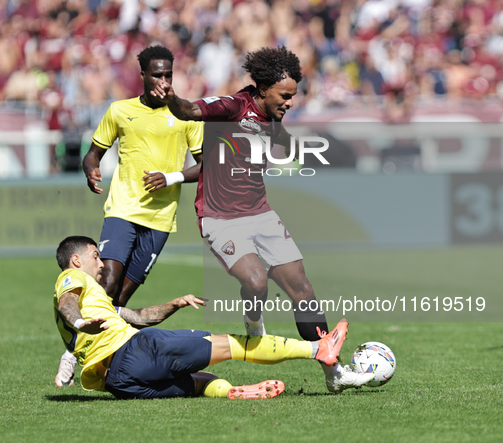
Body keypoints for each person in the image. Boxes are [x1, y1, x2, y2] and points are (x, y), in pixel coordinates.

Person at [151, 45, 365, 393]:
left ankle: (334, 373)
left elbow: (280, 139)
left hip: (261, 213)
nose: (290, 102)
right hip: (219, 218)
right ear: (263, 89)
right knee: (256, 283)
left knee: (303, 291)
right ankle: (253, 319)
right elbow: (189, 110)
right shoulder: (233, 107)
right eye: (285, 95)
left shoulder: (272, 117)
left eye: (293, 96)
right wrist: (172, 96)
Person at [52, 236, 373, 399]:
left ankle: (230, 392)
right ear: (76, 260)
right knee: (234, 344)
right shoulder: (72, 280)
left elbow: (137, 315)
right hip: (134, 351)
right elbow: (68, 303)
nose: (103, 264)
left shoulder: (97, 301)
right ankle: (319, 349)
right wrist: (80, 322)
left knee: (194, 383)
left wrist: (174, 304)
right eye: (96, 256)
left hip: (118, 383)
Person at [55, 46, 203, 387]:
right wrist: (90, 171)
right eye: (157, 75)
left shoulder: (186, 115)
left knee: (120, 299)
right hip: (122, 208)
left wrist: (172, 177)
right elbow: (92, 155)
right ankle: (74, 350)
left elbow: (205, 164)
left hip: (161, 218)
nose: (163, 81)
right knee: (106, 283)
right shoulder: (120, 111)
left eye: (168, 75)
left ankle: (106, 357)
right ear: (143, 76)